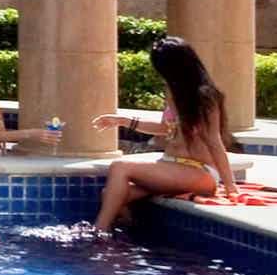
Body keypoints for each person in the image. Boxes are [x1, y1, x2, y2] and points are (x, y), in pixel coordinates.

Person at [91, 36, 239, 235]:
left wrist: (230, 186)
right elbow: (164, 128)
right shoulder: (173, 92)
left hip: (198, 171)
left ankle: (99, 232)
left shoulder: (205, 96)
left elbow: (214, 141)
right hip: (170, 166)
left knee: (120, 167)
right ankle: (130, 235)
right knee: (111, 194)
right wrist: (122, 121)